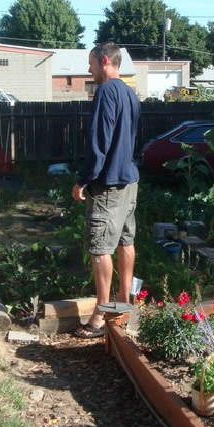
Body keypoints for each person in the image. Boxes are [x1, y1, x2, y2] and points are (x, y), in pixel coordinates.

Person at [72, 42, 140, 339]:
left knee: (100, 248)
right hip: (129, 180)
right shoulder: (130, 93)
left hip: (109, 183)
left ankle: (101, 314)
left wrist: (83, 179)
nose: (89, 70)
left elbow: (99, 142)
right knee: (126, 240)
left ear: (104, 61)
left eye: (91, 64)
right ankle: (123, 303)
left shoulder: (106, 92)